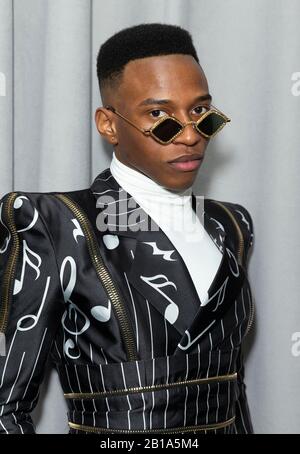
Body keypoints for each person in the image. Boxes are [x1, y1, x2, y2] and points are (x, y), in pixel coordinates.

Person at [0, 23, 254, 434]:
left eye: (200, 113)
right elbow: (6, 410)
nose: (190, 135)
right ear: (109, 124)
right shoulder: (55, 224)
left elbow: (233, 392)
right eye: (160, 116)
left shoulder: (231, 226)